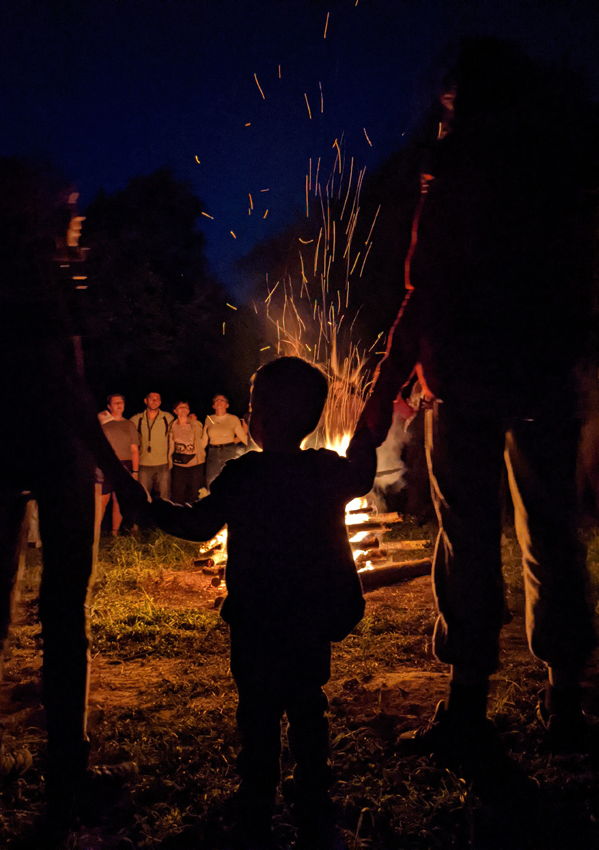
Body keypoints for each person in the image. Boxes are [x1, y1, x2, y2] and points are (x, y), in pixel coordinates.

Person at [359, 38, 599, 763]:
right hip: (543, 378)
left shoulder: (454, 166)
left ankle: (468, 703)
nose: (442, 110)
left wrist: (384, 391)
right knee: (552, 531)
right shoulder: (561, 168)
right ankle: (563, 701)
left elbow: (424, 286)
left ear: (465, 100)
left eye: (451, 100)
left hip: (463, 381)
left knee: (467, 538)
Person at [0, 158, 149, 830]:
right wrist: (117, 472)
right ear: (37, 208)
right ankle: (66, 771)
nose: (77, 211)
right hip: (49, 451)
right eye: (66, 202)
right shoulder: (35, 270)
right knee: (61, 614)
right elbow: (67, 385)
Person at [150, 357, 376, 850]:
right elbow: (361, 475)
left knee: (256, 710)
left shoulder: (242, 475)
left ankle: (257, 801)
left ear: (260, 418)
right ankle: (313, 798)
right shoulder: (325, 470)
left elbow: (197, 525)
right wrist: (369, 428)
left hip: (255, 618)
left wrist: (148, 507)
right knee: (307, 704)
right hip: (310, 616)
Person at [100, 394, 140, 535]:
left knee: (119, 500)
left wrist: (135, 471)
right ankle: (94, 532)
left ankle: (115, 532)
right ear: (109, 406)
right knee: (103, 499)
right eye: (115, 402)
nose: (119, 404)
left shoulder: (129, 424)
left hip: (125, 464)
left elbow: (134, 449)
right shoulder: (102, 423)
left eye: (121, 402)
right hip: (106, 463)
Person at [130, 392, 174, 500]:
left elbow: (182, 426)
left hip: (163, 465)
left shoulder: (168, 418)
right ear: (145, 401)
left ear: (160, 402)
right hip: (144, 465)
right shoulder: (136, 420)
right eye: (152, 398)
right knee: (143, 499)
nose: (154, 401)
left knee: (165, 499)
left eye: (157, 399)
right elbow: (122, 429)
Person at [202, 393, 248, 487]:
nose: (219, 401)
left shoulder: (233, 419)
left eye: (222, 400)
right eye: (216, 400)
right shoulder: (209, 419)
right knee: (211, 482)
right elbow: (204, 440)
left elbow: (243, 437)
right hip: (213, 454)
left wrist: (257, 446)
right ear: (213, 406)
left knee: (230, 482)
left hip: (229, 452)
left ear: (227, 405)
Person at [168, 400, 205, 503]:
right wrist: (169, 460)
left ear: (188, 410)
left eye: (185, 407)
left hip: (195, 464)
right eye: (180, 407)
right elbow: (171, 445)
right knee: (178, 494)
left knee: (195, 494)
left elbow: (203, 440)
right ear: (175, 411)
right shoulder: (172, 426)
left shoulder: (197, 424)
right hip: (179, 465)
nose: (183, 409)